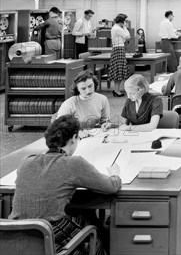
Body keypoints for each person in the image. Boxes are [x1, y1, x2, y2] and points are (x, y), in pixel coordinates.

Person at [9, 115, 121, 255]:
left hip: (13, 236)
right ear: (74, 138)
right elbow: (110, 187)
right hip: (48, 235)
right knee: (95, 231)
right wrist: (115, 175)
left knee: (83, 214)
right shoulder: (73, 163)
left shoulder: (26, 161)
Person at [108, 13, 130, 97]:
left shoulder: (115, 27)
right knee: (119, 71)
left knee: (118, 71)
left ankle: (116, 90)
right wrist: (124, 27)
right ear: (121, 21)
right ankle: (116, 90)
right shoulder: (118, 28)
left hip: (118, 49)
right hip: (119, 49)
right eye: (124, 21)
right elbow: (127, 36)